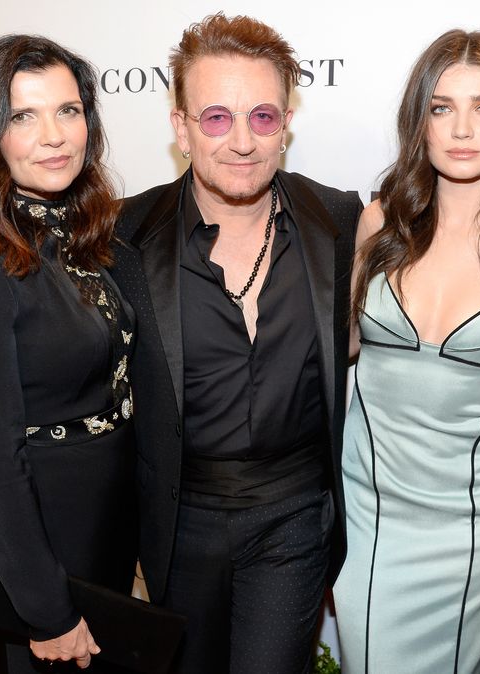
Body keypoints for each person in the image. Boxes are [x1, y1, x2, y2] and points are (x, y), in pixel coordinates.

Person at [109, 13, 361, 674]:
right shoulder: (125, 236)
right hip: (177, 519)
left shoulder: (339, 221)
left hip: (295, 516)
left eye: (263, 117)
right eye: (217, 117)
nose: (242, 142)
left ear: (286, 123)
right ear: (181, 126)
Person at [333, 29, 480, 674]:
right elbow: (336, 355)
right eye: (442, 108)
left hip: (472, 525)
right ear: (421, 121)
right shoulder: (380, 223)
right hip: (368, 514)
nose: (462, 128)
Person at [0, 35, 136, 672]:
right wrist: (45, 606)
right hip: (41, 545)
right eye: (24, 116)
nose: (55, 135)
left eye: (69, 111)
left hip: (103, 528)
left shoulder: (77, 232)